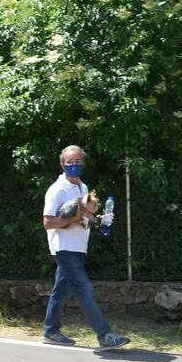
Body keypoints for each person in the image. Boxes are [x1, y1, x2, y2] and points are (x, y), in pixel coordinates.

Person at [41, 145, 129, 350]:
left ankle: (51, 331)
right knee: (84, 289)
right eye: (70, 162)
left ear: (83, 163)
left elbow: (85, 218)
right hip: (64, 247)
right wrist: (74, 218)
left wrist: (101, 220)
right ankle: (105, 336)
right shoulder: (57, 189)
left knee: (60, 291)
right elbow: (48, 223)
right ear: (62, 164)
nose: (74, 165)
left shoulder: (83, 188)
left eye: (78, 161)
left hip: (79, 247)